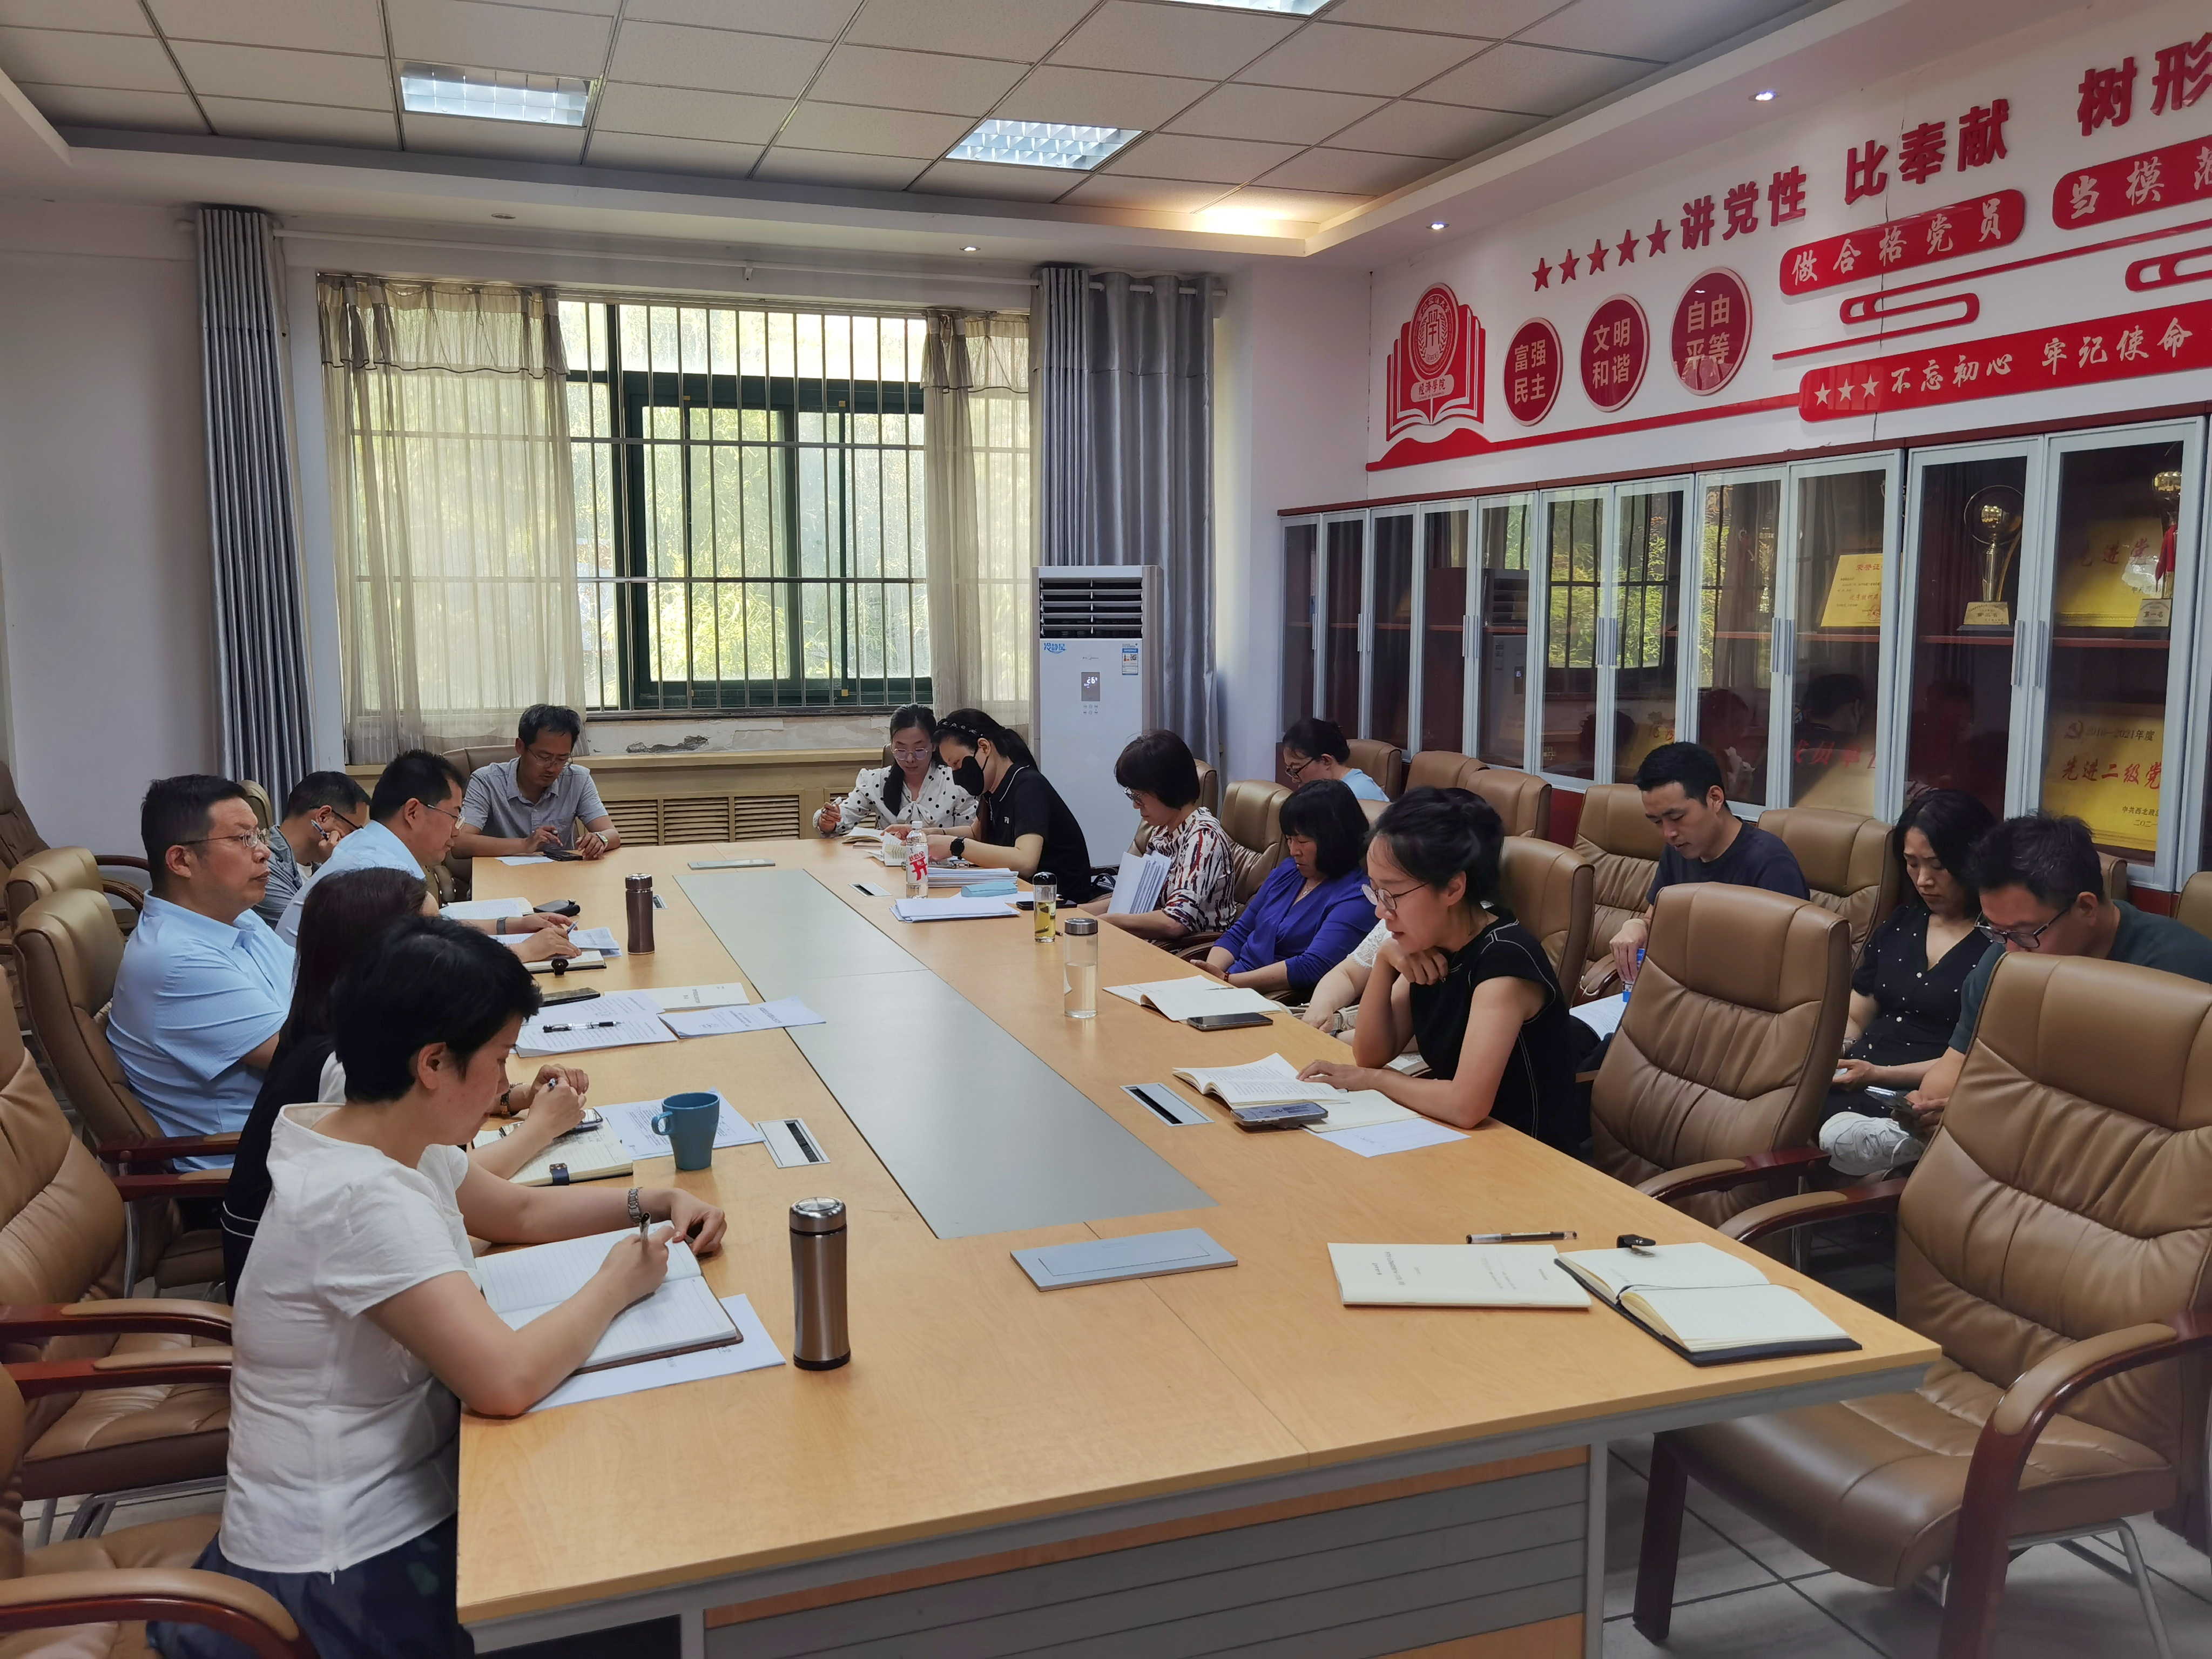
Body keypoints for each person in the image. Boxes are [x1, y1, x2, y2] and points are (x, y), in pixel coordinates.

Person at [150, 917, 726, 1659]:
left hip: (393, 1495)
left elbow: (515, 1213)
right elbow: (505, 1382)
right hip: (340, 1572)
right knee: (635, 1590)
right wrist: (617, 1281)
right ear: (433, 1064)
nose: (506, 1083)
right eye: (498, 1059)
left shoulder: (375, 1132)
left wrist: (653, 1200)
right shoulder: (359, 1198)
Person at [221, 867, 592, 1299]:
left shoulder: (340, 1034)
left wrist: (513, 1097)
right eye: (431, 933)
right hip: (309, 1285)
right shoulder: (343, 1069)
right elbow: (462, 1190)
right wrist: (541, 1127)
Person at [1297, 788, 1581, 1148]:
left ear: (1452, 888)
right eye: (1375, 892)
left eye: (1392, 894)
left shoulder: (1504, 963)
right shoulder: (1432, 945)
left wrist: (1374, 1081)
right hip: (1458, 1139)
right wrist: (1385, 959)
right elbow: (1370, 1054)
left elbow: (1465, 1105)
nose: (1381, 911)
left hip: (1526, 1153)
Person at [1905, 814, 2212, 1134]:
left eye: (2024, 933)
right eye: (1996, 931)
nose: (2011, 951)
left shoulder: (2180, 976)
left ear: (2086, 909)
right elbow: (1956, 1064)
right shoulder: (2006, 956)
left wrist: (1988, 1111)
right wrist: (1929, 1109)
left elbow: (2151, 1121)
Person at [107, 775, 294, 1162]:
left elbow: (313, 986)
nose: (264, 852)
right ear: (181, 861)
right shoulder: (177, 962)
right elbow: (308, 1058)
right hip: (254, 1167)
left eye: (259, 835)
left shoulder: (237, 915)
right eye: (243, 839)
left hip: (296, 1131)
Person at [1818, 789, 1996, 1177]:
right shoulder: (1902, 923)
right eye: (1912, 864)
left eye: (1938, 866)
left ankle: (1903, 1148)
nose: (1923, 880)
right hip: (1857, 1076)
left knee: (1838, 1137)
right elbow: (1858, 1012)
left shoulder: (1999, 944)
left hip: (1921, 1092)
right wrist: (1836, 1052)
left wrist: (1877, 1074)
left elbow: (1977, 1059)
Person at [278, 749, 574, 961]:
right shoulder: (376, 872)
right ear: (413, 812)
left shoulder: (369, 847)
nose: (457, 831)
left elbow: (432, 927)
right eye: (455, 815)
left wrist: (512, 925)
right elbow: (433, 966)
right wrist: (524, 951)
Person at [1604, 741, 1809, 989]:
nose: (1668, 833)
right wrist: (1638, 927)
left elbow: (1790, 966)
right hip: (1689, 991)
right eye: (1657, 822)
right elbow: (1655, 916)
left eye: (1677, 817)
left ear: (1715, 798)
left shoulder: (1770, 863)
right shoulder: (1679, 849)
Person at [1201, 780, 1372, 999]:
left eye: (1302, 841)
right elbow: (1240, 932)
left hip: (1273, 998)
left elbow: (1313, 965)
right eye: (1289, 840)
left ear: (1334, 839)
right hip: (1230, 984)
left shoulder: (1357, 896)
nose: (1293, 851)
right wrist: (1210, 975)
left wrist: (1230, 982)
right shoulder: (1289, 871)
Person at [927, 709, 1103, 902]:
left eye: (958, 763)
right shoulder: (992, 789)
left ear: (984, 747)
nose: (957, 775)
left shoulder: (1028, 786)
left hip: (1058, 903)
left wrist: (956, 846)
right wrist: (934, 834)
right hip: (1021, 895)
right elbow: (977, 833)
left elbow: (1025, 861)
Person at [1085, 731, 1238, 941]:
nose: (1135, 805)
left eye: (1139, 796)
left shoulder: (1203, 838)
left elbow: (1175, 923)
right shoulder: (1163, 831)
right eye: (1132, 795)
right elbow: (1133, 899)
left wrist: (1108, 923)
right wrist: (1072, 913)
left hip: (1188, 951)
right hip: (1151, 941)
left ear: (1167, 789)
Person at [454, 705, 622, 862]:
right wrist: (525, 845)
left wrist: (601, 839)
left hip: (560, 876)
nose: (552, 768)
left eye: (562, 759)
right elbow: (459, 844)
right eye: (544, 757)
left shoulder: (578, 779)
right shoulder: (486, 781)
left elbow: (612, 834)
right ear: (520, 746)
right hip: (501, 877)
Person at [813, 705, 977, 837]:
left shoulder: (956, 781)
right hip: (886, 865)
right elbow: (842, 817)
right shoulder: (875, 781)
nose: (910, 759)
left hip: (940, 864)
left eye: (919, 750)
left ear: (934, 746)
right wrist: (828, 821)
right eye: (901, 750)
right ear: (891, 746)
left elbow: (971, 835)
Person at [252, 771, 369, 928]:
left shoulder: (318, 867)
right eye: (354, 831)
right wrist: (335, 867)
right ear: (323, 817)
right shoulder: (264, 869)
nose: (355, 840)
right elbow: (310, 932)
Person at [1280, 717, 1388, 801]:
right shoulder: (1328, 794)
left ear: (1326, 761)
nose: (1294, 780)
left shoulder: (1356, 792)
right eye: (1290, 770)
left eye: (1296, 769)